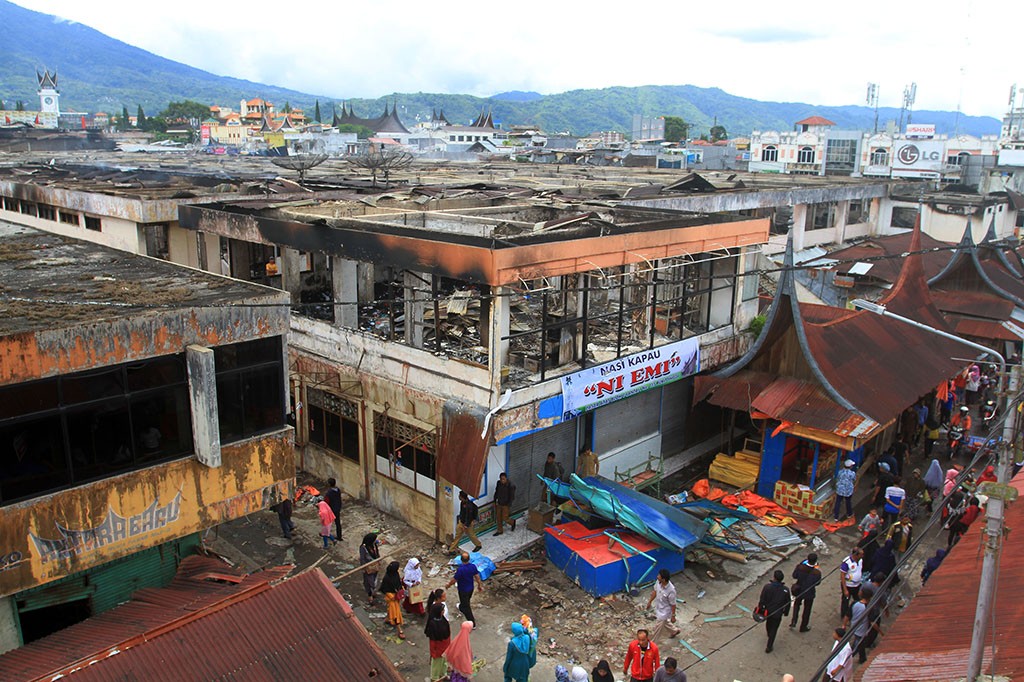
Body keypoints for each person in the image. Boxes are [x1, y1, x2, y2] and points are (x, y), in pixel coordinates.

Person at [757, 569, 791, 653]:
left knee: (769, 624)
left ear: (774, 578)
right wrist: (786, 612)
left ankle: (769, 635)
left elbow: (762, 599)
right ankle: (769, 644)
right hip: (778, 613)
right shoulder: (785, 590)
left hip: (768, 612)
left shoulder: (767, 587)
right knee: (774, 629)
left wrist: (760, 609)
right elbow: (788, 603)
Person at [447, 551, 483, 625]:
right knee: (466, 601)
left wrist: (448, 585)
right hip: (471, 588)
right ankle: (461, 607)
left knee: (467, 607)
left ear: (461, 560)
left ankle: (472, 623)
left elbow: (454, 580)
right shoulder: (473, 566)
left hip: (463, 590)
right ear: (469, 559)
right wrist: (479, 585)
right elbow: (477, 577)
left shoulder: (460, 569)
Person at [646, 569, 680, 642]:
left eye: (659, 576)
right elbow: (655, 592)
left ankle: (652, 644)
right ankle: (674, 630)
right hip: (659, 607)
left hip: (665, 612)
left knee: (658, 627)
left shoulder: (671, 591)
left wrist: (673, 616)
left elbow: (673, 604)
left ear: (664, 579)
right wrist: (650, 602)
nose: (657, 576)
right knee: (664, 623)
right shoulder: (658, 582)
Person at [790, 552, 821, 632]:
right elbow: (817, 583)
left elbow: (794, 575)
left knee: (797, 605)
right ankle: (803, 626)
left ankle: (794, 621)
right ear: (815, 561)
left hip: (799, 589)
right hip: (809, 592)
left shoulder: (800, 567)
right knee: (807, 610)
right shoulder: (817, 573)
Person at [425, 602, 451, 682]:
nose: (443, 611)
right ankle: (435, 678)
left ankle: (443, 674)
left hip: (445, 646)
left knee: (444, 663)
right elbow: (432, 640)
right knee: (436, 664)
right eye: (442, 610)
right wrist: (433, 653)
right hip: (438, 649)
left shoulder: (442, 619)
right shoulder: (433, 624)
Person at [380, 560, 406, 639]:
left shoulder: (395, 574)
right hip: (391, 598)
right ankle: (399, 630)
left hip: (396, 597)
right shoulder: (387, 578)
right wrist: (392, 597)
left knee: (391, 610)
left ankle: (388, 619)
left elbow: (398, 584)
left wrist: (400, 592)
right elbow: (384, 589)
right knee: (396, 612)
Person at [839, 547, 864, 625]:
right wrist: (845, 589)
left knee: (858, 599)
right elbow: (842, 575)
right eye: (861, 554)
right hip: (848, 586)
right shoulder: (847, 562)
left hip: (857, 585)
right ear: (856, 555)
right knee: (845, 601)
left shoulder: (860, 561)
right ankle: (844, 616)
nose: (862, 556)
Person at [359, 532, 381, 606]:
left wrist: (379, 560)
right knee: (369, 582)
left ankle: (373, 591)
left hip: (375, 566)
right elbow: (362, 559)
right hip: (368, 567)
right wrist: (364, 568)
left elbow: (377, 553)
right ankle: (370, 595)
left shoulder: (374, 545)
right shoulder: (363, 548)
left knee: (374, 580)